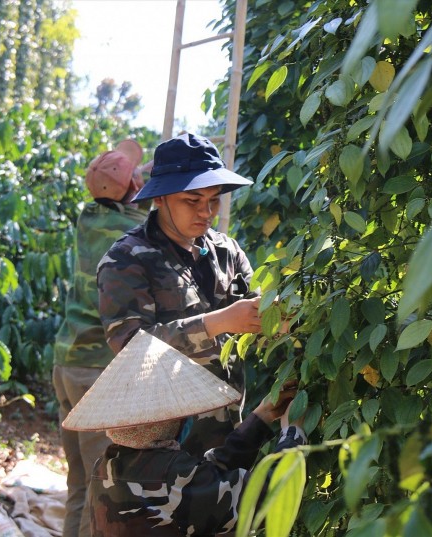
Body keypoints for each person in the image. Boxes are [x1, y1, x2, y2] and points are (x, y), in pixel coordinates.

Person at [97, 132, 261, 457]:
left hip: (226, 430)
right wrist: (216, 323)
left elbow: (256, 310)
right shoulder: (127, 258)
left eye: (213, 200)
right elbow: (130, 348)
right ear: (160, 198)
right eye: (192, 201)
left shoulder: (226, 250)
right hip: (162, 447)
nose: (206, 212)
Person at [62, 330, 307, 536]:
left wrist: (259, 420)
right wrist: (293, 433)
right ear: (170, 422)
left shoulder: (106, 465)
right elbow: (266, 497)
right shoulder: (173, 478)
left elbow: (203, 477)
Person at [53, 139, 151, 537]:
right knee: (102, 488)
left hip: (66, 361)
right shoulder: (131, 230)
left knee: (79, 480)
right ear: (131, 190)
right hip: (97, 371)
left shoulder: (87, 217)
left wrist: (129, 180)